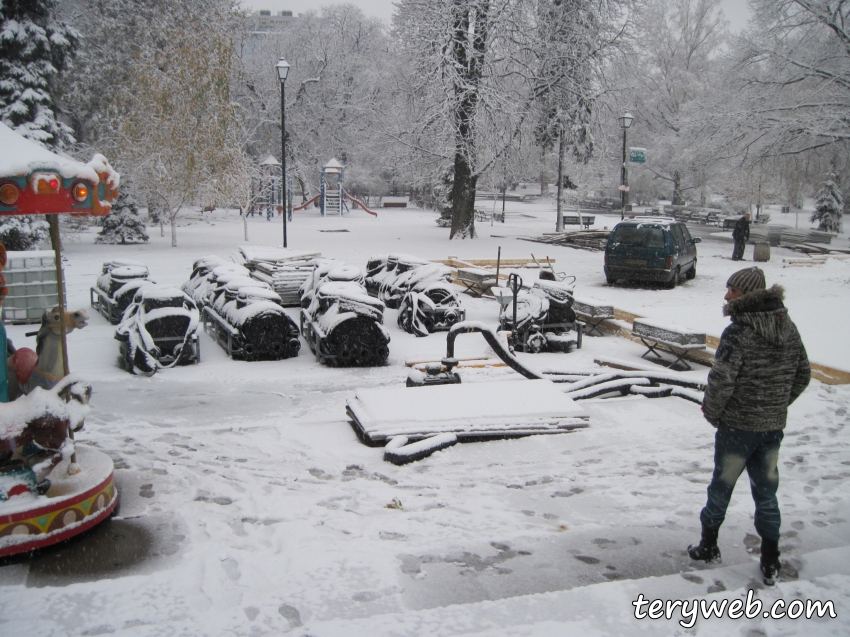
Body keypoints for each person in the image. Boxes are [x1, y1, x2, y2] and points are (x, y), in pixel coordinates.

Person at [688, 267, 810, 586]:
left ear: (749, 294)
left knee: (721, 487)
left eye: (733, 291)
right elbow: (803, 374)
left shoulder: (739, 331)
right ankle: (770, 560)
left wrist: (713, 413)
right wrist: (777, 405)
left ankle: (708, 545)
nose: (726, 295)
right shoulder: (788, 328)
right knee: (767, 493)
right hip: (771, 428)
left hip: (737, 428)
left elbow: (722, 379)